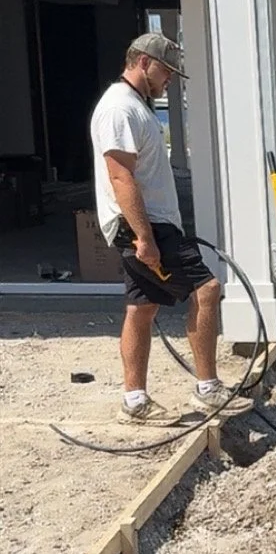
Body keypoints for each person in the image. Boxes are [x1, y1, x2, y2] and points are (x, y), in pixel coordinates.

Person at [90, 34, 228, 425]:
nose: (170, 79)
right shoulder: (119, 109)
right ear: (144, 63)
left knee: (141, 308)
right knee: (207, 289)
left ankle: (134, 401)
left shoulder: (134, 106)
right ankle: (208, 388)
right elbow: (120, 176)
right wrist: (146, 238)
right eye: (166, 70)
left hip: (146, 224)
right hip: (143, 225)